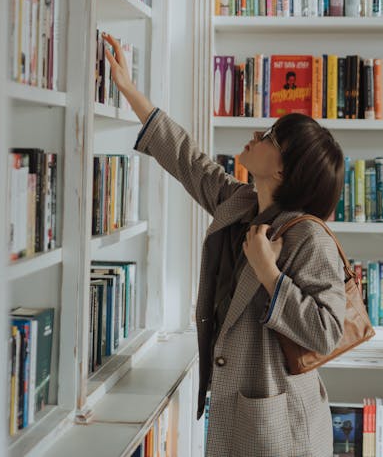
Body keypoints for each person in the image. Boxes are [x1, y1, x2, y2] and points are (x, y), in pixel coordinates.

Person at [103, 33, 346, 457]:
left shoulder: (309, 236)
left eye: (271, 137)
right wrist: (127, 88)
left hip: (282, 428)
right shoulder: (240, 202)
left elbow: (327, 333)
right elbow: (186, 158)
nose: (257, 133)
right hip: (240, 412)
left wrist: (271, 275)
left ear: (286, 172)